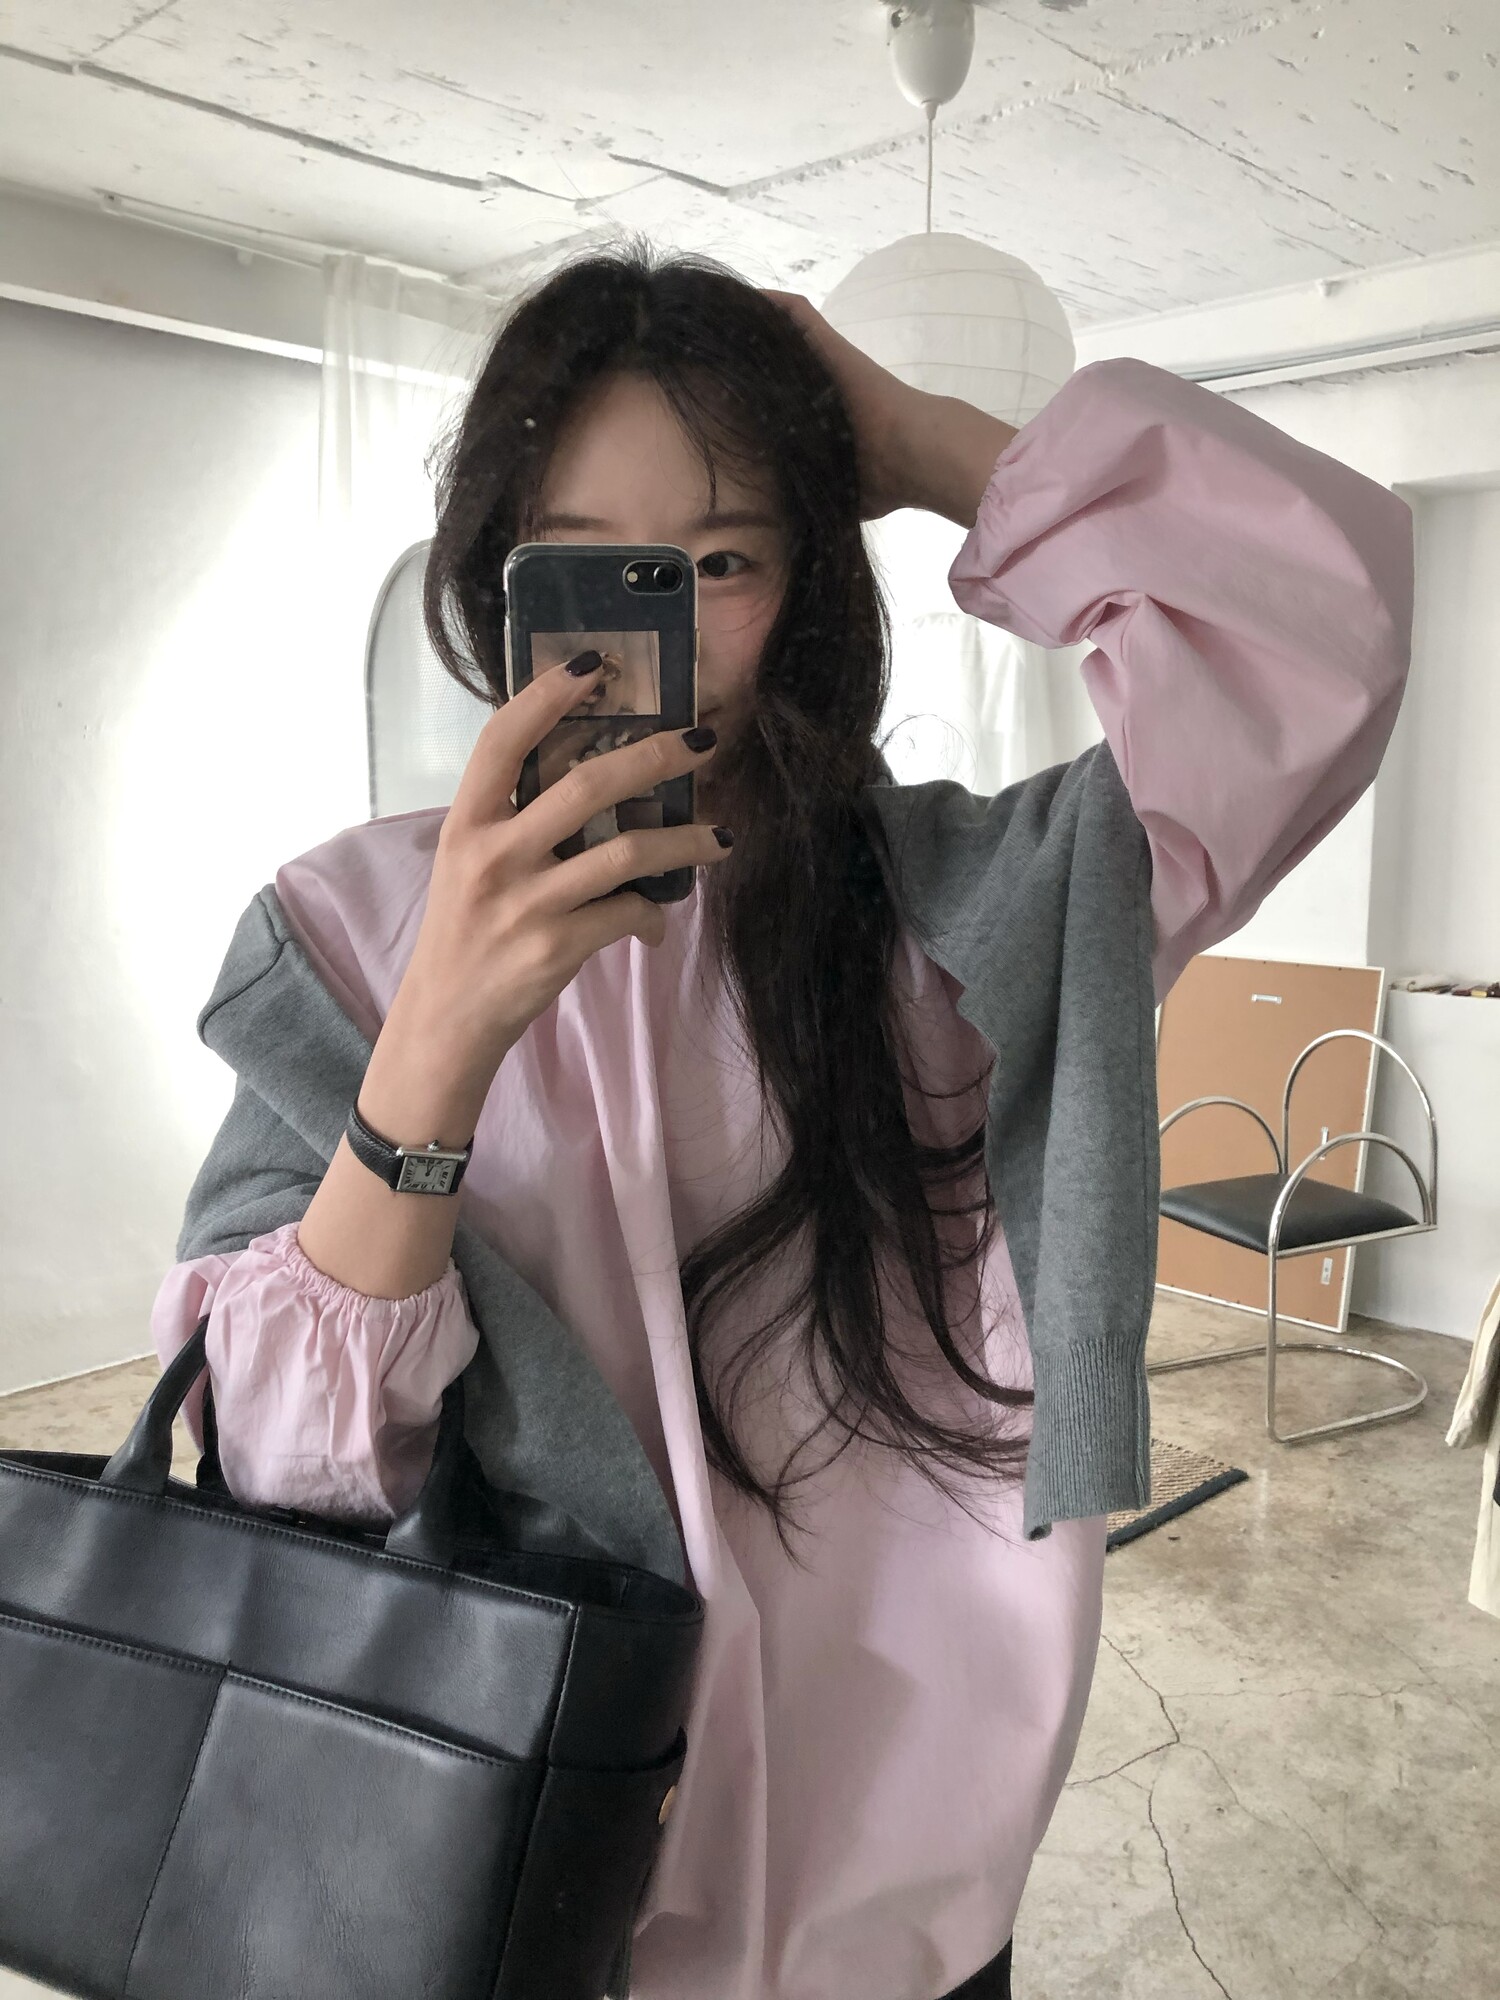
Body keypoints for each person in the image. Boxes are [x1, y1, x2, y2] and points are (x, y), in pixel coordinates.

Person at [152, 242, 1413, 2000]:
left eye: (723, 559)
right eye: (582, 561)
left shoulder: (981, 910)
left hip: (894, 1886)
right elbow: (285, 1470)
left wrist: (911, 437)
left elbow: (1317, 625)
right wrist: (437, 1040)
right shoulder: (348, 934)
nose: (650, 626)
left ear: (810, 577)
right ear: (497, 576)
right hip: (508, 1870)